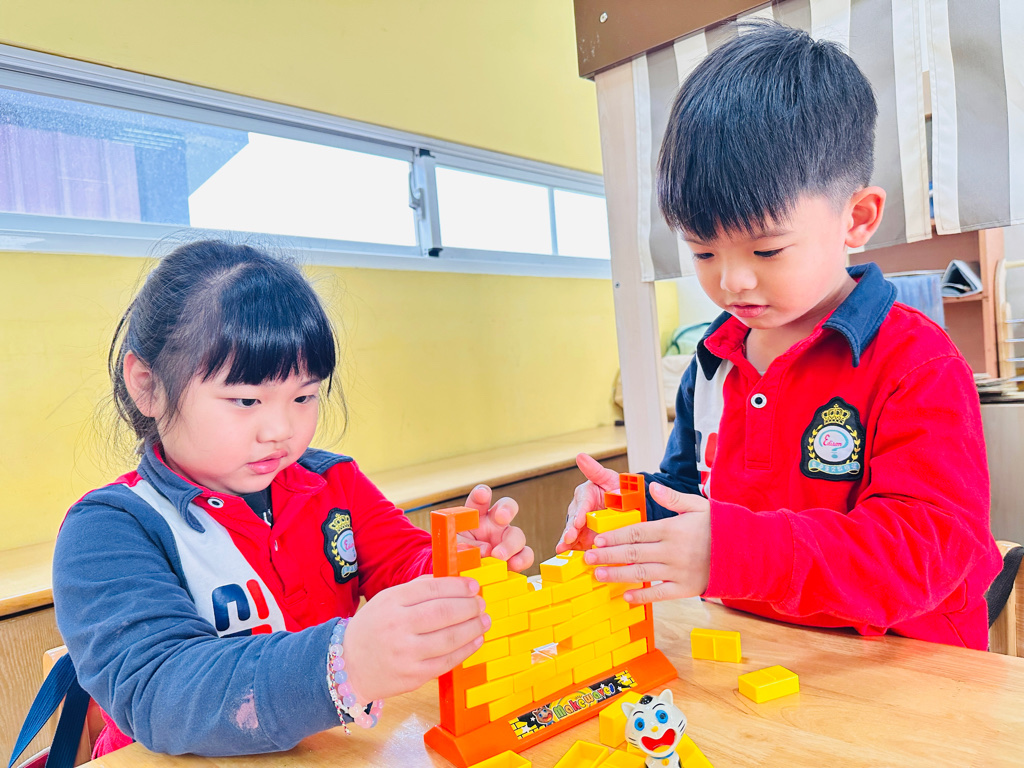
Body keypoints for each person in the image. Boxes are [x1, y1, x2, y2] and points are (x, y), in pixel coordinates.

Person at [558, 22, 1001, 650]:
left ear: (857, 218)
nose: (732, 281)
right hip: (755, 649)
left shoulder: (916, 363)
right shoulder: (713, 363)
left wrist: (733, 552)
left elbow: (927, 551)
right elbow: (691, 494)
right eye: (703, 251)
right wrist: (633, 515)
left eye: (766, 250)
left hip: (902, 664)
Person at [52, 240, 534, 757]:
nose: (280, 430)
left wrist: (459, 564)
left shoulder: (333, 482)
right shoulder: (110, 529)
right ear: (148, 386)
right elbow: (164, 692)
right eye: (246, 400)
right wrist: (345, 664)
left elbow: (404, 564)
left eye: (303, 396)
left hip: (327, 750)